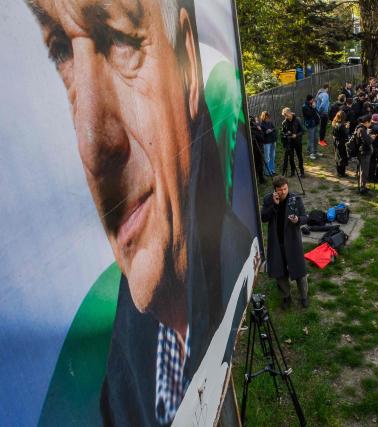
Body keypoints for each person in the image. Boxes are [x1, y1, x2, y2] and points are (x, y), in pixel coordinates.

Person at [28, 0, 255, 423]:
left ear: (187, 64)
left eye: (119, 41)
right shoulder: (121, 358)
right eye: (62, 48)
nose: (91, 145)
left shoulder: (235, 258)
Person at [261, 176, 309, 309]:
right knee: (279, 271)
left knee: (299, 269)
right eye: (280, 189)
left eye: (285, 188)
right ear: (275, 190)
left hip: (292, 242)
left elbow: (305, 218)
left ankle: (304, 296)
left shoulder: (295, 200)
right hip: (277, 242)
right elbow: (264, 217)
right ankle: (286, 297)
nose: (283, 191)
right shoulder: (268, 200)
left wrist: (298, 219)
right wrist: (274, 206)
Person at [281, 107, 305, 178]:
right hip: (289, 142)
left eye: (286, 115)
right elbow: (283, 133)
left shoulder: (297, 120)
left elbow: (303, 131)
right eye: (284, 115)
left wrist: (296, 135)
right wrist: (286, 134)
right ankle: (292, 171)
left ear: (290, 113)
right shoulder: (284, 122)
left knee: (299, 156)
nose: (286, 117)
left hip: (297, 141)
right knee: (291, 158)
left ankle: (302, 171)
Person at [356, 115, 374, 194]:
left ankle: (362, 186)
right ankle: (362, 188)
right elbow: (367, 141)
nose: (370, 124)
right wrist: (371, 138)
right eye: (370, 122)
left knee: (362, 169)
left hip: (362, 151)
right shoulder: (362, 130)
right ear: (366, 122)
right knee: (364, 170)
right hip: (364, 152)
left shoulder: (360, 128)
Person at [302, 95, 321, 159]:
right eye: (313, 99)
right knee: (311, 139)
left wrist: (314, 107)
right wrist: (313, 107)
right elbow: (309, 115)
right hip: (310, 125)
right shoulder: (305, 106)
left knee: (316, 138)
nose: (313, 101)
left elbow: (316, 112)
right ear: (309, 100)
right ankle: (311, 153)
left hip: (315, 124)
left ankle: (315, 151)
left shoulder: (312, 104)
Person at [331, 111, 350, 177]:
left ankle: (339, 172)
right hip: (341, 142)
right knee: (342, 157)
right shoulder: (342, 126)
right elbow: (345, 134)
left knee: (338, 156)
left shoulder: (334, 123)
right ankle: (341, 173)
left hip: (336, 141)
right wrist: (347, 128)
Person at [260, 111, 277, 176]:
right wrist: (266, 132)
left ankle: (272, 170)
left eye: (268, 117)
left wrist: (273, 132)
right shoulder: (261, 124)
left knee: (272, 156)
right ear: (263, 117)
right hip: (266, 142)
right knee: (267, 157)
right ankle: (267, 172)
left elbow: (274, 129)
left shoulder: (270, 123)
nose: (268, 118)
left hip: (273, 141)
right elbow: (261, 134)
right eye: (266, 117)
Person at [250, 116, 266, 183]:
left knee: (256, 165)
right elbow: (262, 139)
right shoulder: (256, 129)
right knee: (259, 165)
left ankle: (258, 180)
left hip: (253, 150)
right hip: (257, 150)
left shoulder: (248, 129)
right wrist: (260, 131)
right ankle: (261, 179)